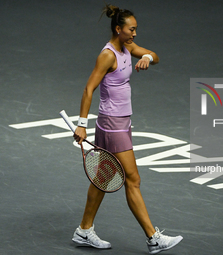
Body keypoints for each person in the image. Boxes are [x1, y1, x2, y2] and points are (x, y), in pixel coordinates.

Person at [71, 4, 183, 254]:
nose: (135, 34)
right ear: (118, 29)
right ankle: (153, 238)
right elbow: (89, 88)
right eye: (131, 30)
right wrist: (81, 124)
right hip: (112, 126)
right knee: (133, 179)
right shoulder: (108, 55)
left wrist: (145, 57)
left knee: (103, 178)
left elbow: (155, 55)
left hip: (122, 123)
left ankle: (84, 230)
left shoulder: (128, 48)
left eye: (136, 29)